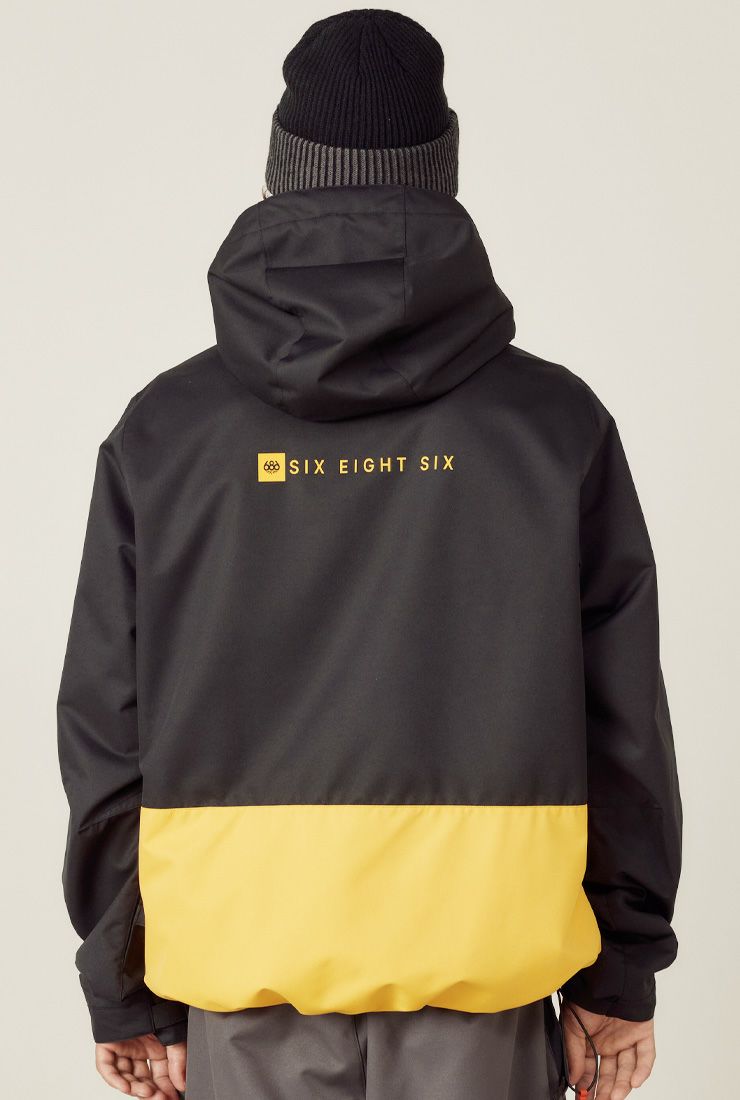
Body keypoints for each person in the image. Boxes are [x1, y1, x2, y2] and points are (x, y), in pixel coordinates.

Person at [56, 9, 682, 1100]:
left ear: (281, 169)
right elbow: (621, 717)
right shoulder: (550, 425)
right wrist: (618, 970)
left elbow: (109, 720)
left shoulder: (167, 432)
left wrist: (124, 984)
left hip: (241, 972)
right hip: (481, 974)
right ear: (441, 171)